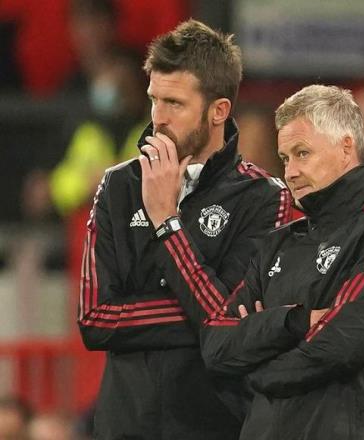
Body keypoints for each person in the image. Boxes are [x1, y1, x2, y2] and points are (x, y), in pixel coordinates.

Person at [163, 84, 364, 439]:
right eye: (285, 158)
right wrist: (291, 322)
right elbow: (216, 346)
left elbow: (340, 345)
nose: (290, 172)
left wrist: (257, 366)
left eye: (302, 153)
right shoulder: (278, 243)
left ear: (346, 147)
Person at [77, 19, 292, 440]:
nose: (158, 118)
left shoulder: (264, 198)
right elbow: (95, 317)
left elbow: (232, 326)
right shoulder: (118, 185)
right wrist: (202, 314)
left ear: (219, 110)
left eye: (174, 103)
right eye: (154, 99)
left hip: (214, 427)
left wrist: (166, 222)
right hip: (124, 428)